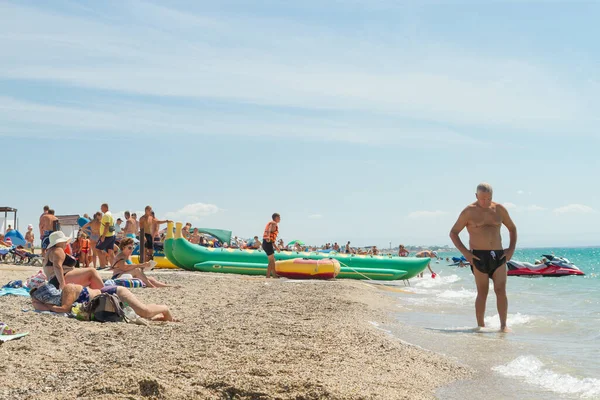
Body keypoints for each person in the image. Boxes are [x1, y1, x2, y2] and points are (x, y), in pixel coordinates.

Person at [449, 182, 517, 333]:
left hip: (498, 255)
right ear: (476, 196)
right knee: (483, 292)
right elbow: (453, 232)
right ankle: (480, 326)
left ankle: (503, 326)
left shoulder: (499, 209)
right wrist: (466, 254)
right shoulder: (469, 211)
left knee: (501, 290)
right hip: (478, 256)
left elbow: (512, 228)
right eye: (482, 198)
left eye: (488, 198)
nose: (485, 201)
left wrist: (511, 249)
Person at [30, 282, 176, 321]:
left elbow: (64, 309)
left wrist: (46, 306)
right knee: (140, 313)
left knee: (144, 312)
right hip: (107, 303)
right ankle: (161, 314)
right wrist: (43, 305)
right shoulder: (58, 299)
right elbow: (40, 307)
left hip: (113, 293)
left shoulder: (68, 289)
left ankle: (165, 309)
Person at [110, 238, 176, 288]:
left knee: (151, 279)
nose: (131, 250)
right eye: (129, 248)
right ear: (123, 247)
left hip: (125, 275)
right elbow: (124, 267)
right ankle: (152, 287)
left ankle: (168, 286)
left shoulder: (128, 256)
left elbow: (129, 267)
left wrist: (143, 267)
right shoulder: (121, 256)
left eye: (132, 248)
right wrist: (141, 265)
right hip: (117, 277)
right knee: (137, 270)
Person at [262, 213, 281, 278]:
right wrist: (267, 236)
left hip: (267, 243)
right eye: (279, 217)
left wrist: (276, 248)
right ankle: (274, 275)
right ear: (276, 218)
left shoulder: (274, 224)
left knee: (272, 260)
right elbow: (269, 229)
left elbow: (272, 240)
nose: (280, 219)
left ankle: (268, 276)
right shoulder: (273, 223)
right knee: (272, 260)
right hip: (267, 243)